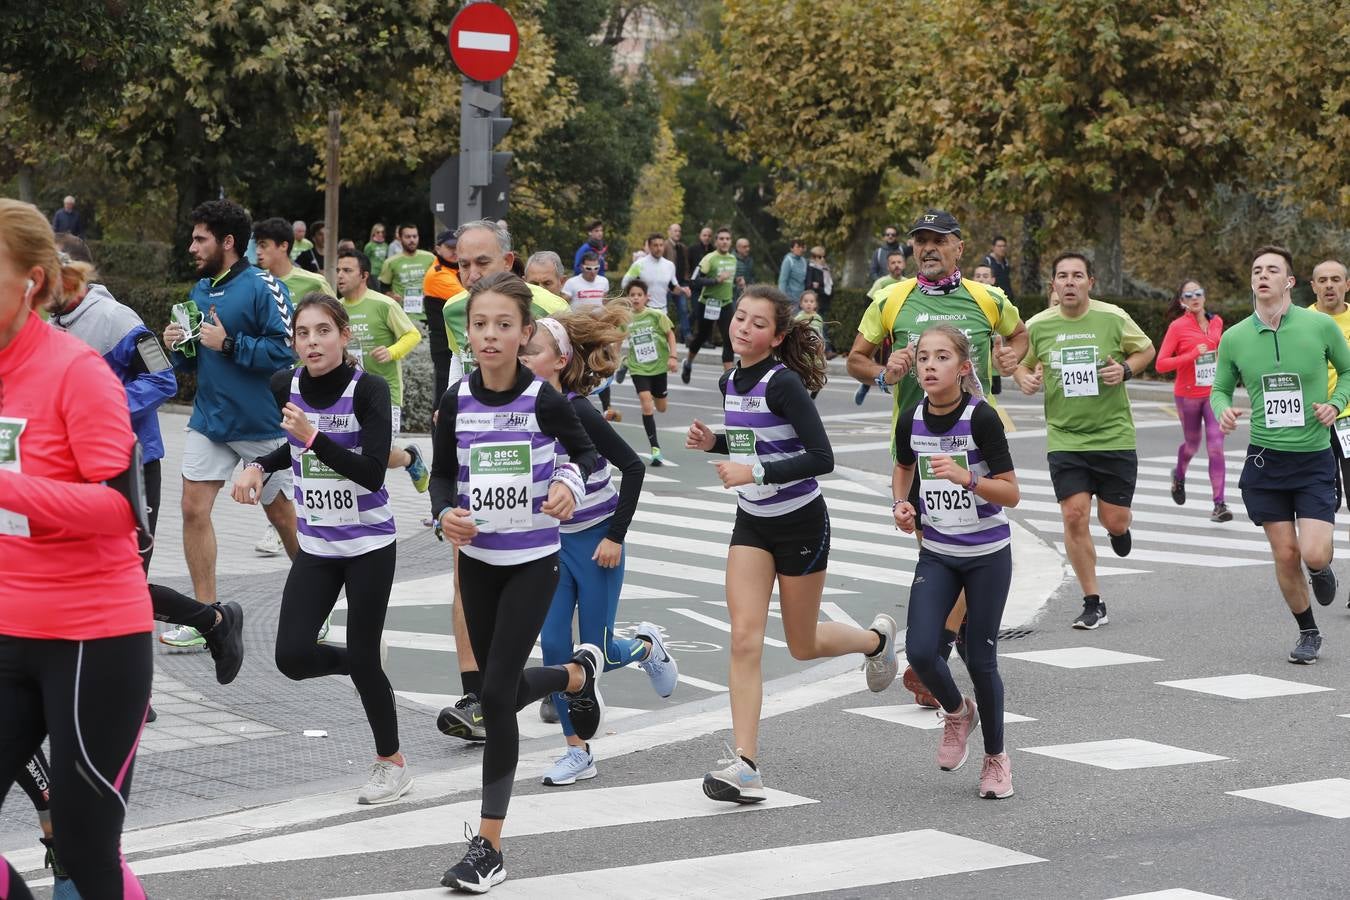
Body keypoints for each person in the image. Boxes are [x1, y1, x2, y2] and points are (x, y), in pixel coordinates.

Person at [685, 284, 899, 803]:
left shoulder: (784, 385)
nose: (744, 328)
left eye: (758, 323)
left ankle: (876, 642)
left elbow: (821, 457)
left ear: (777, 337)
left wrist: (753, 468)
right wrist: (712, 442)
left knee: (802, 645)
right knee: (744, 638)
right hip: (753, 523)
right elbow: (751, 439)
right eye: (740, 318)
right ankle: (746, 765)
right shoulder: (729, 379)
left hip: (801, 523)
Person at [429, 273, 606, 892]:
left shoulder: (544, 400)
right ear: (468, 332)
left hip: (534, 565)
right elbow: (443, 476)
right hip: (477, 564)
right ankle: (575, 676)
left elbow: (589, 458)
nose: (491, 335)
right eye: (481, 324)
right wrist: (442, 513)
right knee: (494, 690)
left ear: (524, 333)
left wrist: (569, 486)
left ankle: (490, 845)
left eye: (504, 325)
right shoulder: (455, 401)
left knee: (497, 697)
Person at [0, 197, 153, 899]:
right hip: (8, 627)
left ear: (31, 281)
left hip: (93, 635)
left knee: (86, 848)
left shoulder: (77, 371)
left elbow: (118, 509)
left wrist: (10, 488)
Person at [231, 293, 412, 805]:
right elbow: (292, 444)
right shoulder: (282, 385)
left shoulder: (369, 391)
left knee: (363, 656)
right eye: (303, 333)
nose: (312, 342)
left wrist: (312, 439)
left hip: (370, 544)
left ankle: (391, 763)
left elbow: (373, 471)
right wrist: (261, 465)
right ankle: (362, 660)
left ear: (344, 335)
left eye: (323, 331)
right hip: (317, 543)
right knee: (291, 656)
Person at [48, 234, 245, 684]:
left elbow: (163, 381)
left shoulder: (118, 321)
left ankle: (210, 625)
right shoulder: (50, 323)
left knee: (124, 582)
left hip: (131, 466)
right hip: (77, 470)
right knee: (90, 582)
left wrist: (98, 405)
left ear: (76, 275)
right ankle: (207, 625)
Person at [845, 210, 1028, 681]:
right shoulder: (890, 299)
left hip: (976, 446)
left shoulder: (987, 298)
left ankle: (938, 652)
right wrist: (885, 375)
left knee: (965, 545)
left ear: (958, 248)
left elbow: (1018, 336)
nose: (927, 248)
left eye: (937, 241)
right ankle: (947, 644)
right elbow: (856, 360)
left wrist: (1012, 356)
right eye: (920, 241)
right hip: (918, 449)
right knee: (939, 548)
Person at [517, 307, 679, 785]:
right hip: (550, 546)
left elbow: (633, 467)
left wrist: (614, 536)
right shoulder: (518, 407)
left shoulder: (578, 408)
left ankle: (648, 649)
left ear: (560, 360)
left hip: (595, 541)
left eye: (534, 350)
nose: (524, 356)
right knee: (553, 648)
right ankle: (578, 750)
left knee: (599, 650)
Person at [437, 220, 572, 738]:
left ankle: (559, 674)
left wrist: (565, 474)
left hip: (540, 463)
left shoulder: (553, 308)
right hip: (478, 453)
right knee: (463, 570)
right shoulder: (455, 310)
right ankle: (479, 696)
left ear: (508, 263)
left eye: (482, 264)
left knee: (547, 578)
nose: (470, 275)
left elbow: (575, 388)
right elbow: (456, 366)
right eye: (462, 265)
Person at [159, 199, 299, 652]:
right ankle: (208, 618)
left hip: (260, 424)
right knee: (192, 509)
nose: (192, 246)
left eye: (200, 238)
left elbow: (288, 352)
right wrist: (181, 345)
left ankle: (314, 604)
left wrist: (232, 342)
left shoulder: (265, 286)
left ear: (228, 242)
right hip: (208, 420)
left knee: (281, 517)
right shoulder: (201, 290)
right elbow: (200, 356)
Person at [893, 325, 1020, 798]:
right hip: (939, 553)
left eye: (941, 357)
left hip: (987, 556)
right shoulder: (912, 418)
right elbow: (904, 467)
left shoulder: (981, 418)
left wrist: (968, 479)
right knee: (923, 651)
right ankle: (956, 712)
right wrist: (901, 504)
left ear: (964, 368)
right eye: (923, 357)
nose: (929, 365)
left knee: (981, 659)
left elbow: (1011, 492)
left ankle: (996, 759)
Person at [1212, 246, 1350, 663]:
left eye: (1273, 270)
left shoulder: (1319, 326)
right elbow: (1219, 388)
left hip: (1312, 458)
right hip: (1266, 461)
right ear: (1252, 282)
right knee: (1285, 553)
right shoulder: (1234, 337)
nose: (1263, 276)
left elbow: (1348, 371)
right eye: (1257, 270)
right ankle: (1308, 632)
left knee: (1312, 553)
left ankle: (1322, 570)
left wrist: (1336, 402)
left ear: (1289, 282)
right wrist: (1223, 411)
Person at [1014, 251, 1155, 630]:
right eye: (1063, 276)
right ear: (1054, 286)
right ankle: (1093, 600)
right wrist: (1023, 379)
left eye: (1078, 276)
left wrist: (1125, 369)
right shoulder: (1039, 325)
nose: (1070, 282)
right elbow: (1022, 365)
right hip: (1066, 437)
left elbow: (1146, 350)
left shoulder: (1112, 318)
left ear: (1091, 282)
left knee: (1114, 518)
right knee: (1074, 515)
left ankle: (1119, 530)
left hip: (1113, 435)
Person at [334, 250, 429, 491]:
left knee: (381, 452)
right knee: (354, 450)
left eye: (347, 270)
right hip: (350, 392)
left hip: (386, 393)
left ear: (364, 275)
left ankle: (410, 458)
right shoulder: (336, 309)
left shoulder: (384, 304)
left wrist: (392, 351)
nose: (340, 276)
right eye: (338, 271)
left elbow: (412, 334)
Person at [1156, 279, 1230, 522]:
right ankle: (1179, 475)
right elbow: (1161, 364)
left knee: (1216, 447)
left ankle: (1219, 504)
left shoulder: (1216, 322)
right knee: (1192, 444)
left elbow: (1224, 353)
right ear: (1182, 302)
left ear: (1205, 296)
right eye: (1189, 296)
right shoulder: (1177, 327)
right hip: (1187, 395)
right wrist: (1190, 355)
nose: (1195, 298)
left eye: (1198, 293)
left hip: (1213, 395)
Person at [621, 279, 679, 465]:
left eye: (639, 295)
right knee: (646, 404)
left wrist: (673, 357)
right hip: (638, 367)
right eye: (632, 295)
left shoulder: (656, 315)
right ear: (628, 298)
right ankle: (655, 448)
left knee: (661, 407)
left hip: (659, 366)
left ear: (647, 297)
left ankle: (656, 395)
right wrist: (613, 359)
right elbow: (616, 340)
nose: (636, 298)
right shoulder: (626, 319)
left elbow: (670, 334)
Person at [1311, 260, 1350, 517]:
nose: (1329, 285)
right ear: (1313, 286)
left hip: (1349, 420)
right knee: (1323, 501)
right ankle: (1321, 556)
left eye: (1335, 279)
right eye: (1323, 280)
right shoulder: (1300, 321)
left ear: (1347, 284)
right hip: (1314, 422)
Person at [683, 226, 738, 383]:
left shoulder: (733, 259)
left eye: (727, 239)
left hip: (726, 303)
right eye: (721, 239)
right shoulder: (709, 258)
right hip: (708, 303)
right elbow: (694, 281)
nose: (724, 241)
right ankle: (688, 363)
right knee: (702, 336)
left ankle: (729, 380)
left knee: (729, 339)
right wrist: (715, 280)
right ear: (716, 241)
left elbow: (730, 281)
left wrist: (739, 282)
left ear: (731, 241)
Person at [424, 231, 464, 409]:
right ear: (437, 248)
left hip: (453, 342)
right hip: (444, 345)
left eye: (457, 247)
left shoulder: (453, 269)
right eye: (450, 247)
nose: (455, 251)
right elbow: (468, 298)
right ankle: (439, 435)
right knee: (444, 396)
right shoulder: (438, 274)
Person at [253, 217, 335, 300]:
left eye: (263, 246)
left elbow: (338, 312)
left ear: (283, 246)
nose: (258, 251)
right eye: (257, 246)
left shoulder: (315, 282)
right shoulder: (255, 282)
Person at [378, 224, 436, 322]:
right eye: (408, 237)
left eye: (415, 236)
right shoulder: (391, 262)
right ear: (400, 238)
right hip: (402, 316)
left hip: (427, 314)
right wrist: (390, 295)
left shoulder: (430, 258)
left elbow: (438, 280)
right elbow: (383, 287)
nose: (412, 240)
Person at [621, 233, 680, 316]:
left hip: (663, 312)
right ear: (649, 246)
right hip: (644, 312)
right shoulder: (639, 264)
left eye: (661, 245)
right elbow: (624, 284)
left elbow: (673, 287)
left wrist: (684, 290)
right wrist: (637, 297)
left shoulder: (670, 265)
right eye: (655, 245)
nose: (659, 248)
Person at [663, 223, 692, 341]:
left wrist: (686, 280)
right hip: (666, 284)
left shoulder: (683, 247)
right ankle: (663, 333)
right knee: (664, 310)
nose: (677, 233)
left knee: (683, 309)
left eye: (679, 231)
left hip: (680, 284)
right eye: (675, 231)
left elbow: (686, 265)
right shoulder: (664, 246)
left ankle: (687, 335)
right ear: (669, 232)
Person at [776, 238, 807, 303]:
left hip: (802, 298)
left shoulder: (804, 261)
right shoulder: (788, 260)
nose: (800, 249)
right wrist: (782, 298)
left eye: (802, 247)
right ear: (792, 249)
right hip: (790, 298)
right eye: (798, 247)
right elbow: (782, 281)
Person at [733, 237, 754, 305]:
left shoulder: (750, 260)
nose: (748, 249)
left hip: (747, 295)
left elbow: (751, 277)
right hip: (733, 297)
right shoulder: (731, 259)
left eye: (748, 246)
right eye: (745, 247)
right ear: (738, 248)